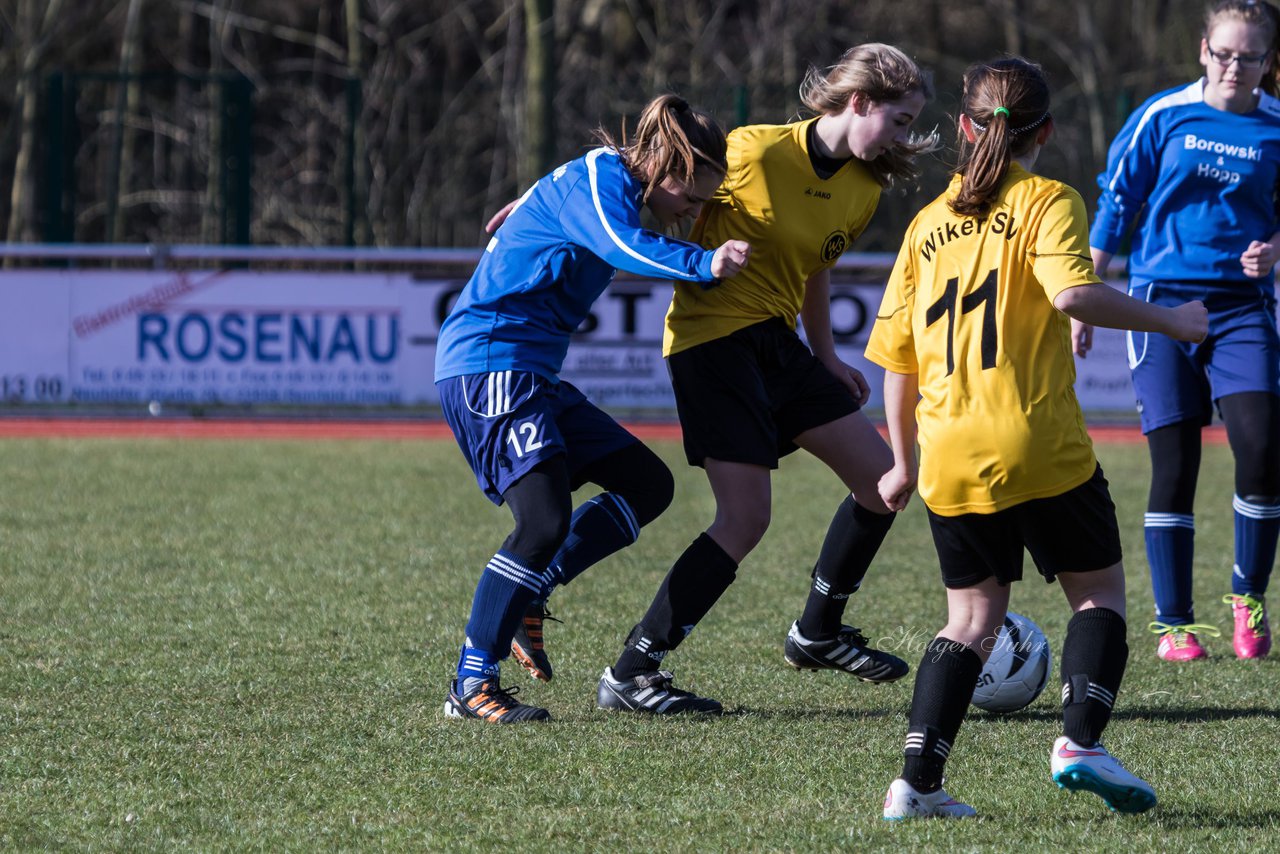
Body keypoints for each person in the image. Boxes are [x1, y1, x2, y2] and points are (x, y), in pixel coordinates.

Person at [866, 58, 1207, 818]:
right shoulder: (1049, 197)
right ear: (1044, 133)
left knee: (970, 620)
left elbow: (895, 361)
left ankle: (915, 787)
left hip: (948, 454)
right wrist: (1173, 320)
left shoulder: (927, 224)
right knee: (1099, 597)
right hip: (1035, 443)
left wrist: (899, 460)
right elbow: (1071, 292)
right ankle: (1081, 740)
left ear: (962, 127)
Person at [593, 44, 941, 715]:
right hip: (711, 342)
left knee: (888, 482)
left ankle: (817, 631)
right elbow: (652, 186)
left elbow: (813, 270)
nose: (903, 137)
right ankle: (632, 673)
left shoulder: (864, 188)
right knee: (745, 518)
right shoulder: (752, 150)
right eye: (899, 121)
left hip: (780, 346)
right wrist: (548, 199)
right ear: (859, 102)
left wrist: (829, 356)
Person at [434, 93, 750, 723]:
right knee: (542, 522)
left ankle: (533, 590)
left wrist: (533, 202)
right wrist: (704, 262)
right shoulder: (603, 182)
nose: (690, 213)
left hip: (531, 373)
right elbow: (619, 244)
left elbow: (585, 213)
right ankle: (471, 684)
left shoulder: (602, 181)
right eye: (689, 197)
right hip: (489, 362)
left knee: (646, 483)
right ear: (663, 164)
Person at [1078, 0, 1280, 662]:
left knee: (1261, 451)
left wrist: (1274, 249)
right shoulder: (1162, 116)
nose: (1234, 66)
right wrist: (1087, 291)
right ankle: (1175, 627)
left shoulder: (1277, 126)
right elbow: (1118, 199)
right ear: (1202, 50)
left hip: (1242, 308)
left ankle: (1248, 604)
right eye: (1224, 53)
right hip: (1161, 307)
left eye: (1249, 56)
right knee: (1175, 464)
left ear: (1267, 61)